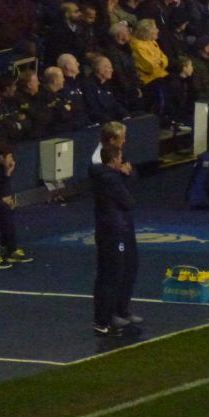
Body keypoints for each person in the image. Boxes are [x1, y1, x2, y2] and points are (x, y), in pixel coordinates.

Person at [89, 144, 140, 336]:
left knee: (107, 276)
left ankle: (105, 319)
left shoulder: (101, 176)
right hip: (112, 230)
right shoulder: (111, 179)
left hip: (107, 229)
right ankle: (103, 321)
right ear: (114, 160)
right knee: (111, 276)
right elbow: (128, 201)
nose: (122, 161)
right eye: (119, 158)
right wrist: (125, 177)